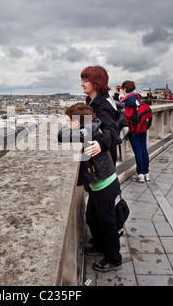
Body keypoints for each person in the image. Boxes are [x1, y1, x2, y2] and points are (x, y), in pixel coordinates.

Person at [58, 103, 122, 272]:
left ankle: (114, 259)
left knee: (107, 223)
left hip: (104, 185)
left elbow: (61, 135)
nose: (67, 122)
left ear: (78, 122)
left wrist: (68, 127)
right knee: (92, 217)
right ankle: (101, 245)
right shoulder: (91, 127)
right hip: (99, 184)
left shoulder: (88, 132)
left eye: (70, 120)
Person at [80, 66, 119, 165]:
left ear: (96, 83)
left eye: (85, 81)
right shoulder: (94, 101)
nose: (82, 84)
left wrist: (101, 143)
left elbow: (112, 129)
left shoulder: (102, 104)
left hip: (104, 160)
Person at [120, 80, 150, 183]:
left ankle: (140, 175)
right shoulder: (139, 96)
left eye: (122, 90)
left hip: (133, 130)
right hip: (143, 126)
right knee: (144, 150)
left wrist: (116, 94)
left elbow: (118, 108)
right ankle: (146, 173)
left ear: (124, 89)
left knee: (138, 152)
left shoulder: (125, 101)